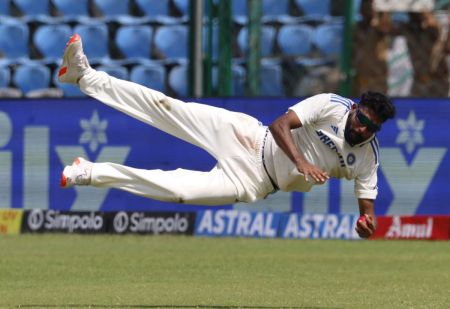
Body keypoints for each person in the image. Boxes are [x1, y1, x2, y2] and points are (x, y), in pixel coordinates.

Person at [58, 34, 396, 239]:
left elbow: (367, 207)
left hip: (252, 183)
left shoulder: (368, 157)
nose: (363, 129)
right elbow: (281, 125)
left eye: (372, 127)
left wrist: (367, 224)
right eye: (362, 119)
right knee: (167, 107)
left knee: (178, 193)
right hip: (248, 136)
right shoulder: (331, 105)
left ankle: (89, 172)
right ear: (355, 108)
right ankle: (84, 76)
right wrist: (301, 162)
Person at [352, 0, 392, 96]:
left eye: (370, 4)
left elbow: (384, 26)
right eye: (365, 4)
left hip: (377, 81)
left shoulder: (380, 25)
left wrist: (377, 14)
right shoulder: (357, 27)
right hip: (360, 80)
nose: (367, 7)